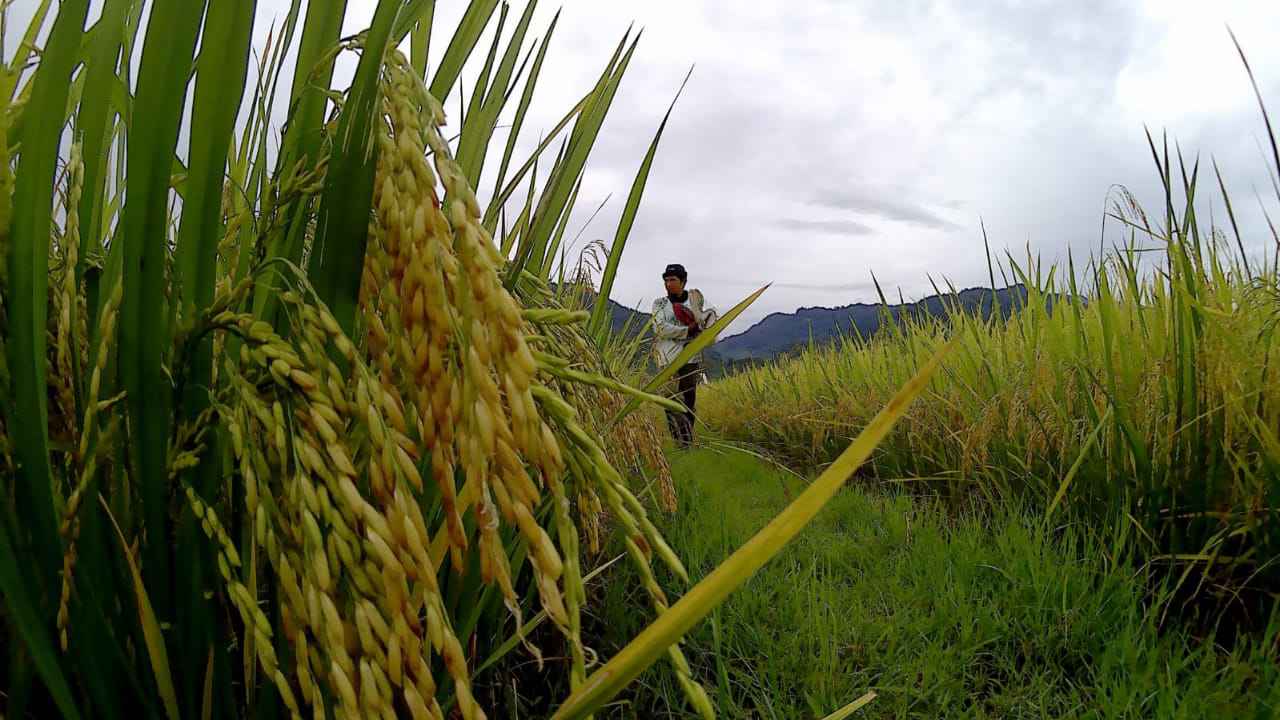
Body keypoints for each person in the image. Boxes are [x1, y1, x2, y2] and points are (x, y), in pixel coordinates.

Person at [650, 263, 718, 448]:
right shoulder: (660, 304)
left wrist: (704, 328)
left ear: (683, 281)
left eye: (672, 280)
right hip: (667, 359)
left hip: (690, 358)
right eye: (666, 280)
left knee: (689, 399)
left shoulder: (697, 301)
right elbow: (660, 328)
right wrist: (688, 331)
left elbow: (711, 320)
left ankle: (687, 441)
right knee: (669, 399)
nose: (668, 284)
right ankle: (677, 439)